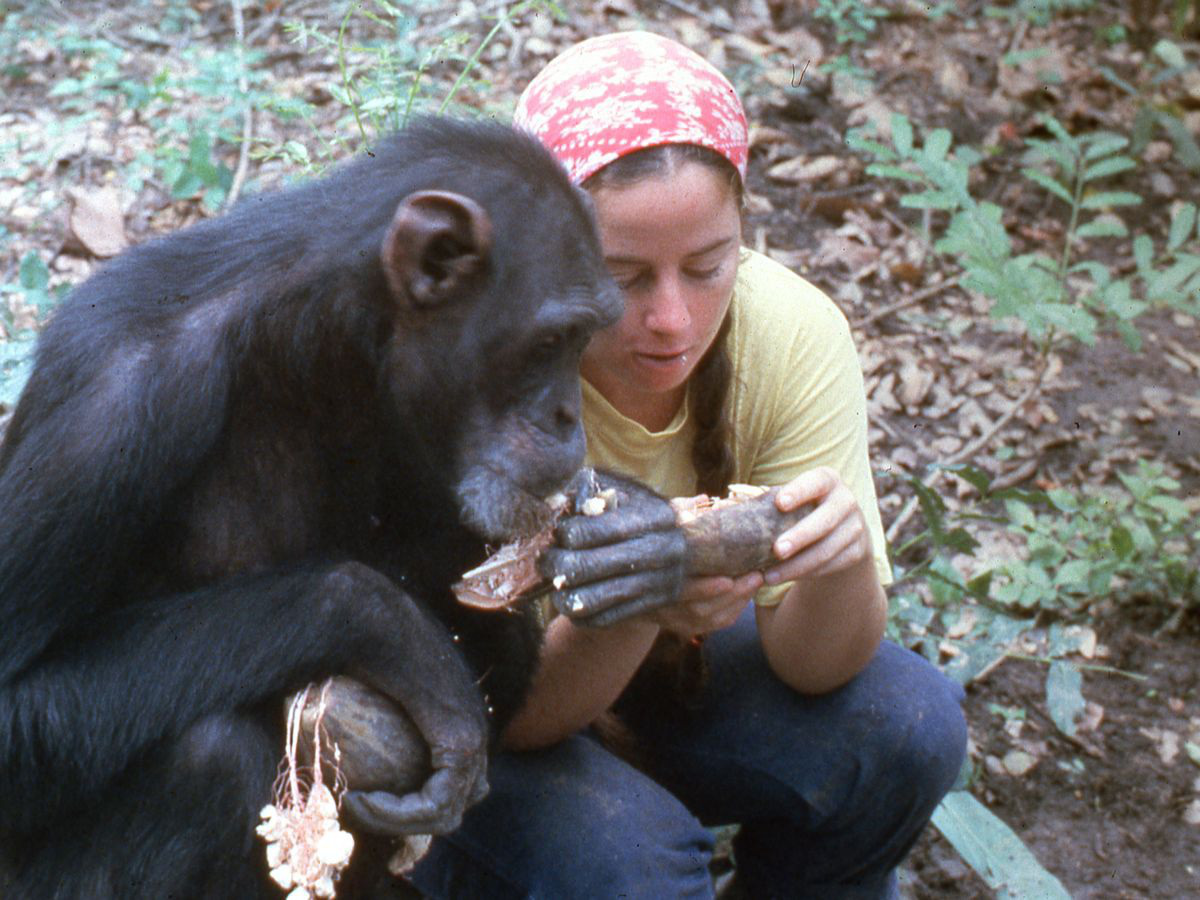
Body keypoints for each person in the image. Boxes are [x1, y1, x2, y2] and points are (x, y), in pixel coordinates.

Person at [405, 31, 967, 899]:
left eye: (708, 267)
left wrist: (840, 560)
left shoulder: (787, 333)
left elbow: (817, 669)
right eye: (622, 277)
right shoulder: (472, 373)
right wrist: (640, 601)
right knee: (630, 865)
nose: (672, 319)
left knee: (911, 724)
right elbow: (500, 722)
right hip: (483, 734)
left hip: (660, 689)